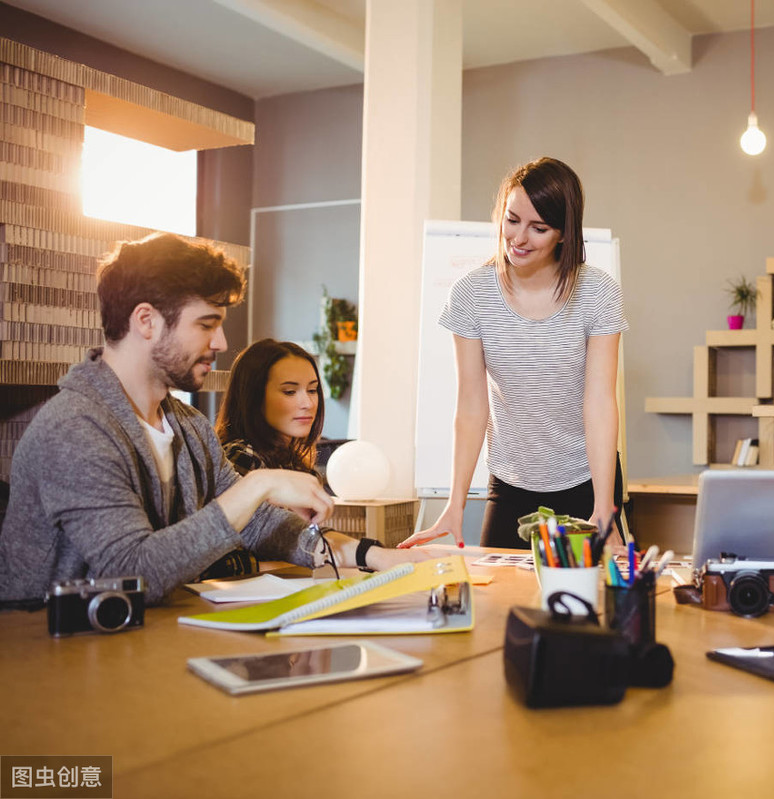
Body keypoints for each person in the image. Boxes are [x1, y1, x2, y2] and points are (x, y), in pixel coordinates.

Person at [0, 233, 426, 606]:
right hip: (51, 660)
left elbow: (260, 525)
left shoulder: (186, 425)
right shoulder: (75, 429)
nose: (221, 342)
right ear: (145, 320)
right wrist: (258, 485)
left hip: (141, 646)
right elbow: (132, 573)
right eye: (207, 324)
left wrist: (376, 556)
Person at [400, 157, 627, 550]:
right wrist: (455, 505)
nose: (519, 238)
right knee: (499, 603)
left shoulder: (597, 292)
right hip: (512, 483)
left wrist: (604, 504)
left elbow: (600, 401)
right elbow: (472, 405)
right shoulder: (471, 294)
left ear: (563, 233)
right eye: (512, 220)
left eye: (538, 228)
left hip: (587, 481)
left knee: (593, 602)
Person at [216, 339, 324, 477]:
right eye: (290, 392)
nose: (308, 404)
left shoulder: (292, 459)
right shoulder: (243, 457)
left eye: (312, 390)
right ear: (254, 397)